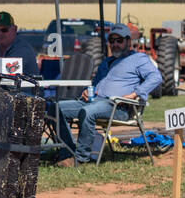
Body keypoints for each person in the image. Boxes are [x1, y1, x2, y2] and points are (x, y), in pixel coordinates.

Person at [56, 24, 162, 166]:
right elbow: (95, 84)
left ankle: (80, 159)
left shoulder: (138, 59)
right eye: (112, 41)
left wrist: (134, 94)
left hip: (119, 107)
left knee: (88, 111)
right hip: (94, 102)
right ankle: (66, 152)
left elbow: (156, 77)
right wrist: (87, 91)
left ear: (128, 42)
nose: (115, 44)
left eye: (119, 40)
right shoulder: (106, 62)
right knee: (57, 108)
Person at [0, 10, 40, 76]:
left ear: (14, 29)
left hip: (24, 86)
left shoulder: (23, 48)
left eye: (4, 30)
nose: (0, 34)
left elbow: (7, 69)